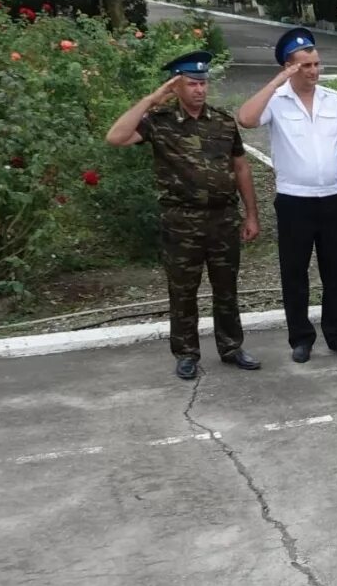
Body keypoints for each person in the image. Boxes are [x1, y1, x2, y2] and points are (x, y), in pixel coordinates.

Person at [105, 52, 261, 380]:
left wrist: (251, 215)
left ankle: (232, 347)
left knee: (227, 289)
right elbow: (115, 137)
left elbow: (241, 167)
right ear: (176, 87)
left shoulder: (221, 121)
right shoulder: (158, 122)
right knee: (183, 291)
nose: (199, 90)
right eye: (191, 84)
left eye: (203, 83)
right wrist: (151, 99)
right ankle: (186, 353)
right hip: (182, 222)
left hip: (223, 220)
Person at [237, 29, 337, 364]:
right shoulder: (275, 102)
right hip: (295, 201)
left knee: (336, 272)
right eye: (305, 65)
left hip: (333, 198)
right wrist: (277, 82)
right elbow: (245, 119)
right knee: (295, 273)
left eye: (316, 64)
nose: (314, 70)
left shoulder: (333, 99)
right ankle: (301, 339)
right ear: (289, 67)